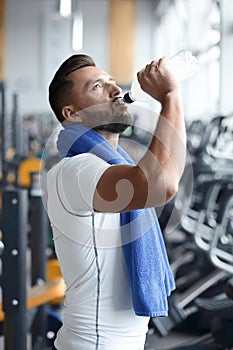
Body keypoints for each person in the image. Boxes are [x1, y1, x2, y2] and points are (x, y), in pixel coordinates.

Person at [46, 53, 186, 350]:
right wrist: (171, 97)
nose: (115, 90)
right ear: (72, 114)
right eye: (97, 87)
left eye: (112, 81)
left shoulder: (112, 165)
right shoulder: (74, 170)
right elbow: (160, 184)